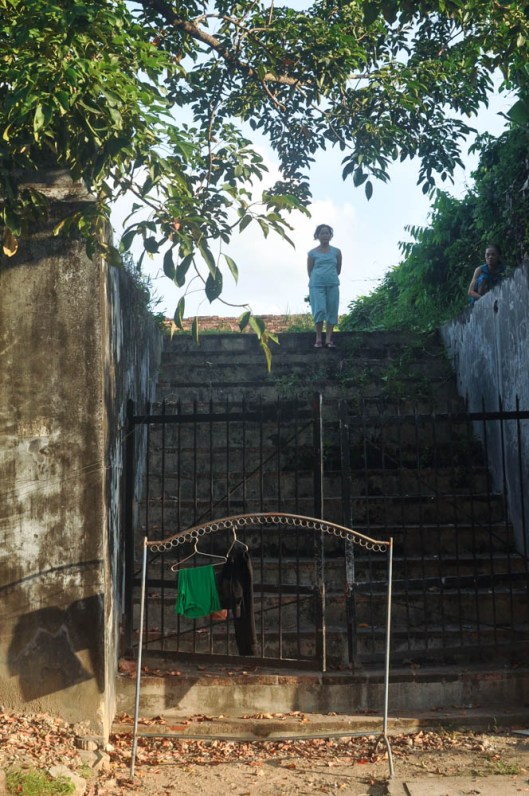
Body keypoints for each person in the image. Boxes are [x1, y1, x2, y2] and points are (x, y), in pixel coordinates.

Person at [307, 224, 342, 348]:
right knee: (319, 310)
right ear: (317, 235)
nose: (325, 235)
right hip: (316, 285)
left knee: (332, 310)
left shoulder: (336, 252)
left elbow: (338, 269)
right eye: (322, 233)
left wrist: (329, 276)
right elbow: (309, 271)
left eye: (327, 233)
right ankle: (318, 338)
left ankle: (328, 339)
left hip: (332, 283)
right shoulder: (312, 253)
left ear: (331, 236)